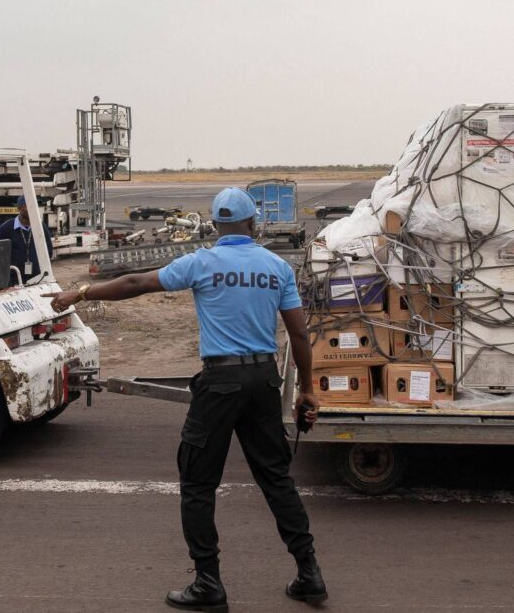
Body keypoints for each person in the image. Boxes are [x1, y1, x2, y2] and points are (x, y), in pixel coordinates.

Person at [47, 187, 326, 612]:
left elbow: (136, 283)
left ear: (215, 226)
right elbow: (300, 334)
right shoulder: (276, 267)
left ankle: (208, 583)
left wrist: (80, 293)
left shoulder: (201, 262)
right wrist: (306, 389)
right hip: (263, 379)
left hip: (220, 383)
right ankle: (309, 573)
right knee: (275, 478)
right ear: (253, 225)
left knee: (198, 484)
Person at [0, 194, 53, 284]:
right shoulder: (6, 229)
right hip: (14, 280)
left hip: (37, 278)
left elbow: (49, 250)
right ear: (19, 208)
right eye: (28, 206)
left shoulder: (40, 227)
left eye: (34, 205)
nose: (32, 208)